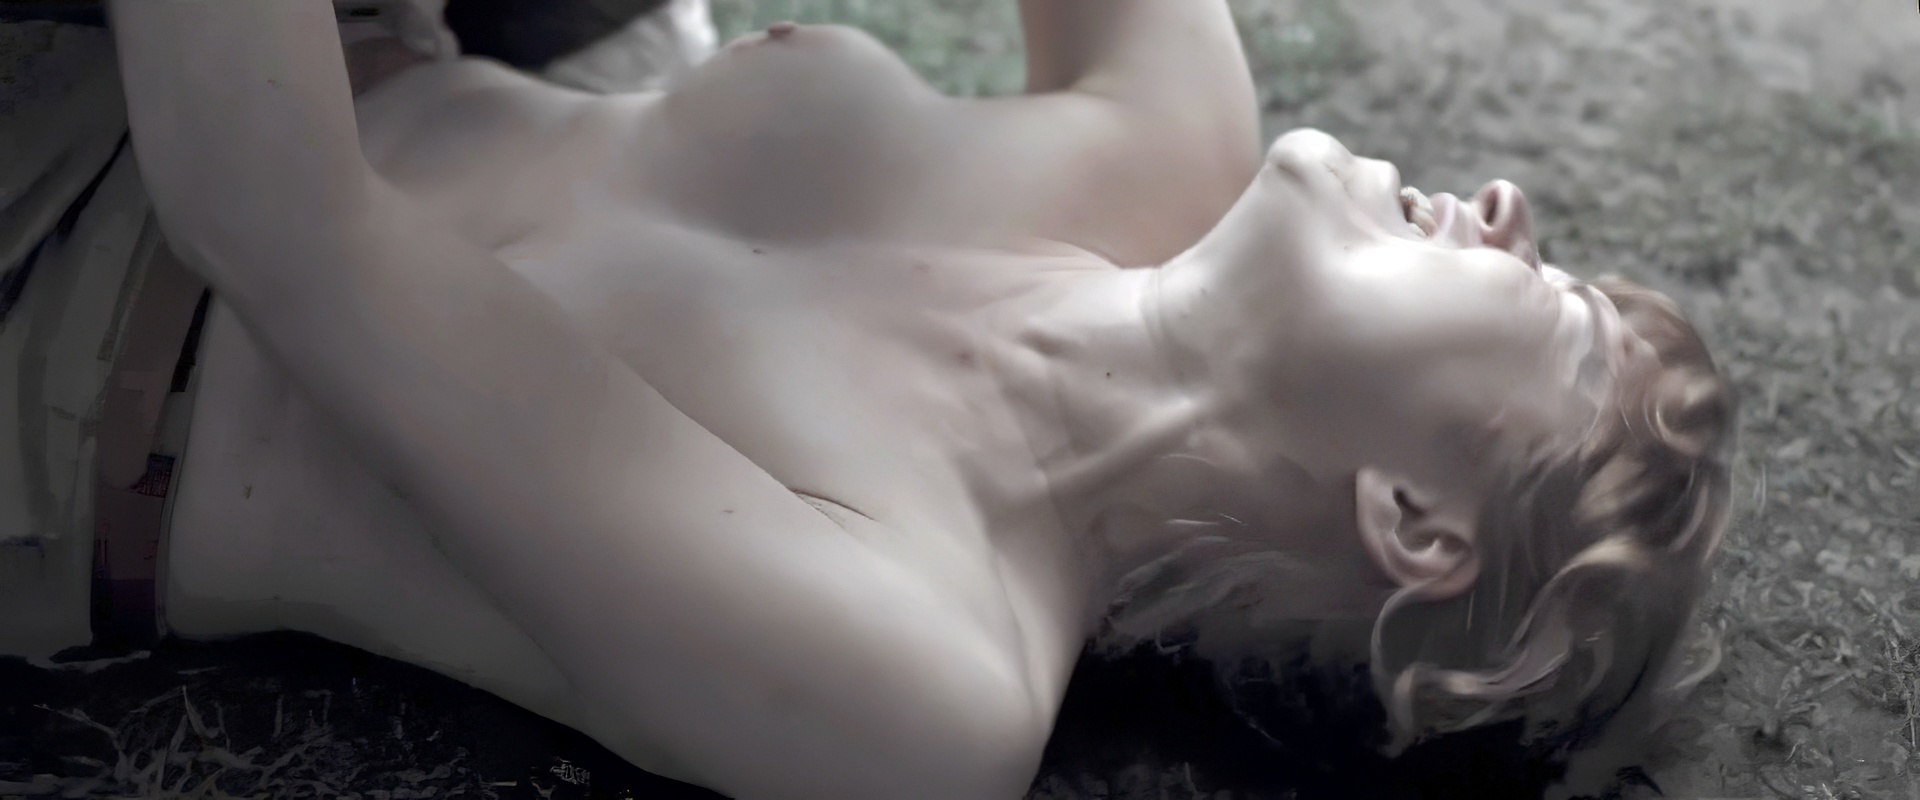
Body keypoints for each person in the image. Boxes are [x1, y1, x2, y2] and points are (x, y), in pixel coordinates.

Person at [36, 0, 1739, 797]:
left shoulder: (924, 679)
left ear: (1418, 525)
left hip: (69, 300)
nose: (1510, 206)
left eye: (1558, 306)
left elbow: (281, 223)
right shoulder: (1170, 147)